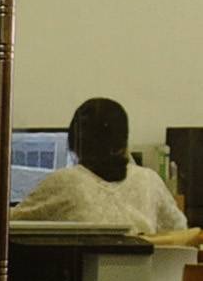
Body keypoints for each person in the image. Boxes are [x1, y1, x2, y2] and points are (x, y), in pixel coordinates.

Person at [13, 96, 187, 233]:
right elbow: (180, 231)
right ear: (124, 143)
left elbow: (9, 223)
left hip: (81, 269)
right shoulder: (149, 180)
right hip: (144, 269)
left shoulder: (65, 181)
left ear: (75, 143)